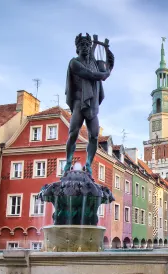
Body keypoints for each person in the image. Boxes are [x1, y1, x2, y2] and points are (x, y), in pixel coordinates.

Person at [64, 33, 113, 175]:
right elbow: (88, 74)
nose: (85, 47)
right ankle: (68, 162)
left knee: (94, 136)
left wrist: (107, 64)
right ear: (77, 49)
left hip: (92, 105)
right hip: (79, 102)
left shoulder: (95, 64)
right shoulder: (74, 63)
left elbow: (107, 66)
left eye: (87, 45)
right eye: (82, 45)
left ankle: (88, 164)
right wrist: (103, 75)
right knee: (73, 132)